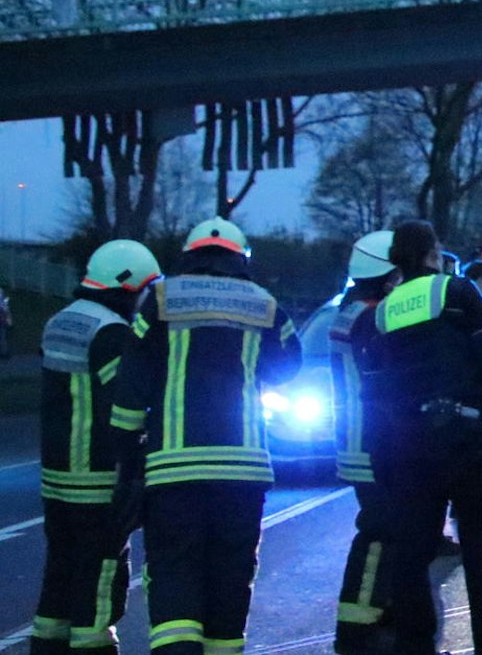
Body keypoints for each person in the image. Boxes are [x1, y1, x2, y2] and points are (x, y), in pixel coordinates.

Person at [111, 219, 301, 655]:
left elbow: (131, 382)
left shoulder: (161, 299)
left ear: (189, 256)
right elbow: (290, 364)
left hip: (174, 471)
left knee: (175, 570)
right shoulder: (265, 304)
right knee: (231, 572)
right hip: (243, 471)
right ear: (241, 260)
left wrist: (126, 453)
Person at [359, 220, 482, 655]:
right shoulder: (455, 291)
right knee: (480, 552)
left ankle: (414, 644)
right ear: (431, 255)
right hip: (465, 438)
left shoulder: (383, 310)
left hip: (409, 447)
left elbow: (375, 390)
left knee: (412, 554)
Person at [31, 239, 160, 655]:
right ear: (126, 287)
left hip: (57, 478)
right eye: (144, 290)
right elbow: (126, 406)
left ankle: (46, 647)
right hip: (97, 477)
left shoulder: (61, 321)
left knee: (60, 573)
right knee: (100, 577)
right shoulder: (111, 333)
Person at [329, 231, 397, 654]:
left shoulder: (348, 310)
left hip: (355, 439)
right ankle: (358, 630)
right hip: (373, 441)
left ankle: (381, 616)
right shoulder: (373, 317)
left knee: (384, 530)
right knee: (379, 532)